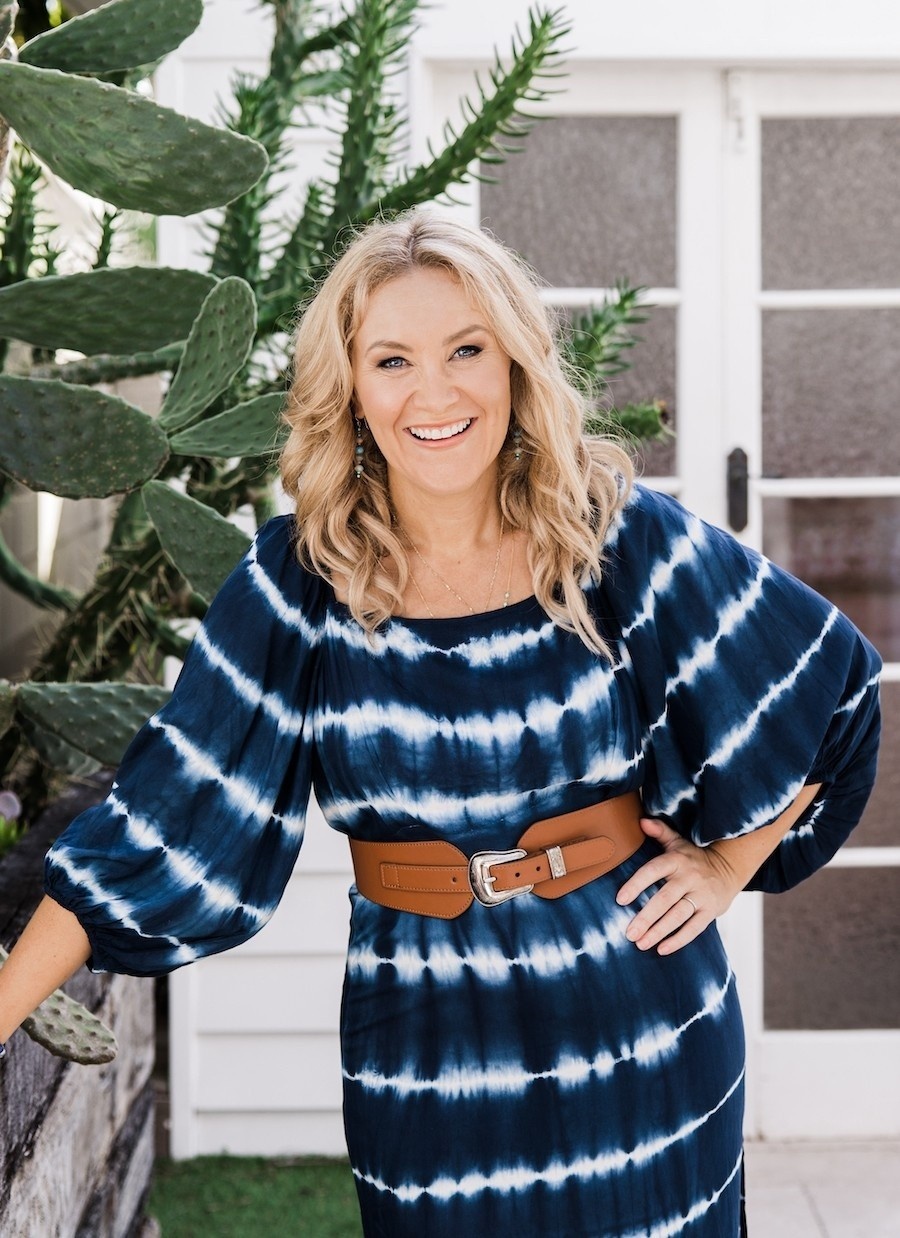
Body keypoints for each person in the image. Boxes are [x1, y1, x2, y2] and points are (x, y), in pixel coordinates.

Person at [0, 209, 881, 1237]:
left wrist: (728, 866)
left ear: (514, 362)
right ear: (350, 388)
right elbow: (162, 824)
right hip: (421, 1046)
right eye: (393, 360)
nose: (436, 393)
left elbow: (828, 688)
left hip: (640, 1027)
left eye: (467, 349)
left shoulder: (611, 537)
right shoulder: (299, 583)